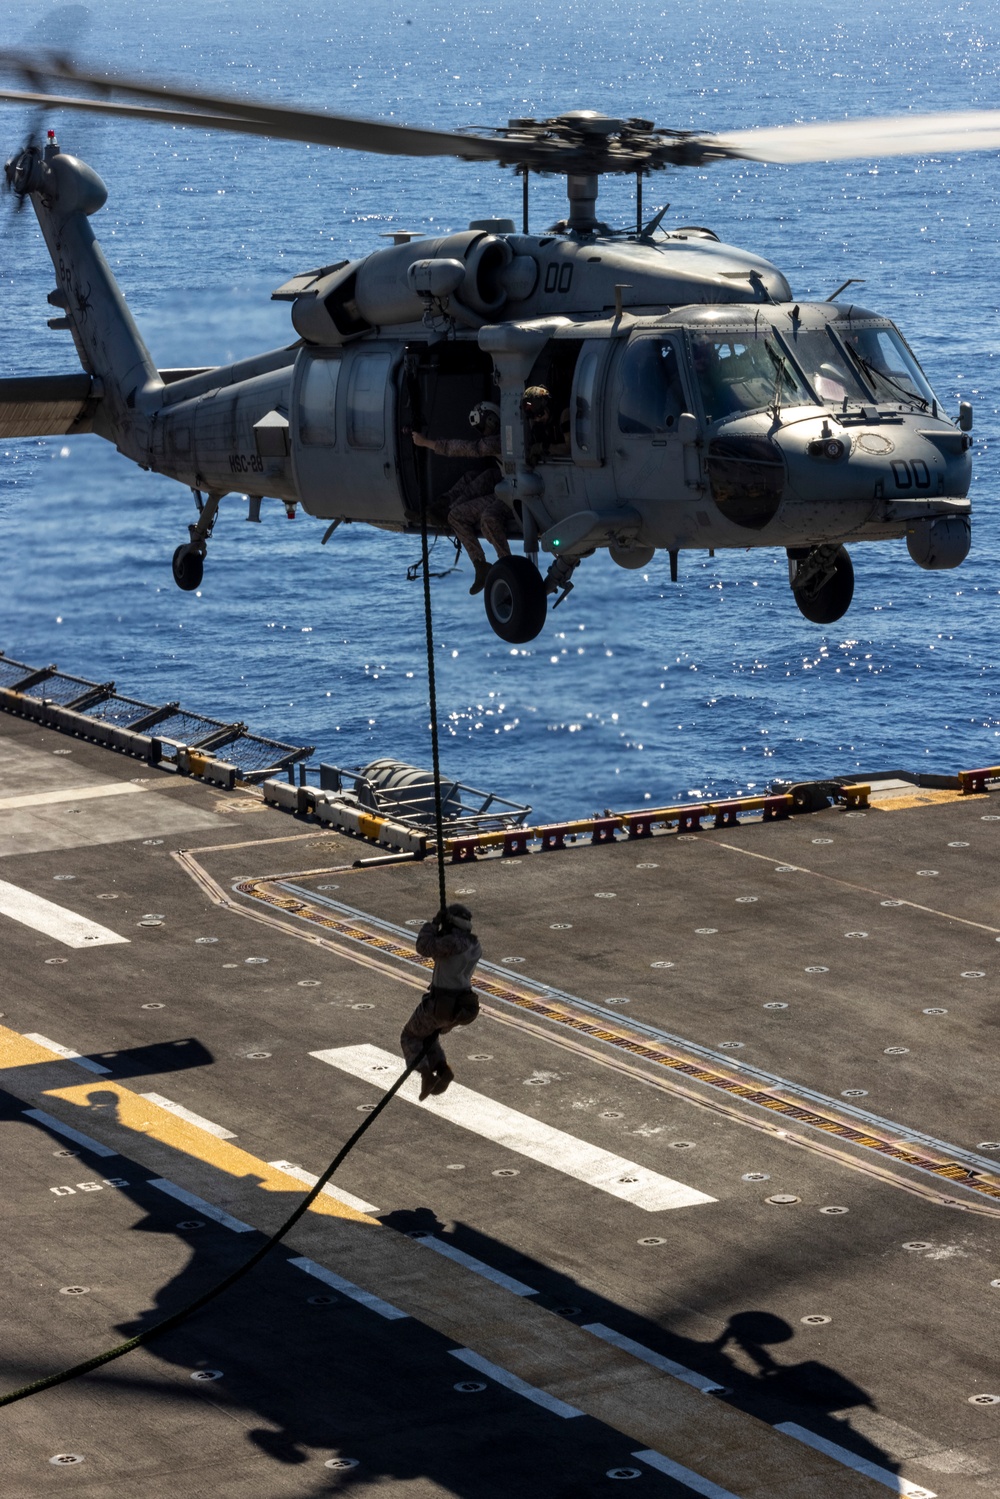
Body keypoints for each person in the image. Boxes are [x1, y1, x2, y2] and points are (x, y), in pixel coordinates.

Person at [412, 403, 510, 594]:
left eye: (484, 427)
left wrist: (426, 443)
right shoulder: (504, 437)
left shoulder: (498, 441)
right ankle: (441, 508)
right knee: (472, 478)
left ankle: (497, 563)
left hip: (514, 493)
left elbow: (466, 448)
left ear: (493, 420)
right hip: (505, 481)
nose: (483, 432)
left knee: (472, 517)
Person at [401, 902, 482, 1100]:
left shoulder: (452, 943)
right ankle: (442, 1068)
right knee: (428, 1035)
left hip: (441, 1003)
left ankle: (427, 1075)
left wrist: (434, 924)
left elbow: (423, 947)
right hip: (462, 1004)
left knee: (410, 1036)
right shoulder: (473, 944)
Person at [522, 385, 570, 462]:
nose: (537, 419)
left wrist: (543, 448)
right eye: (533, 417)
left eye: (540, 414)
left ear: (548, 406)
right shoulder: (539, 424)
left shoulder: (564, 415)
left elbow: (569, 448)